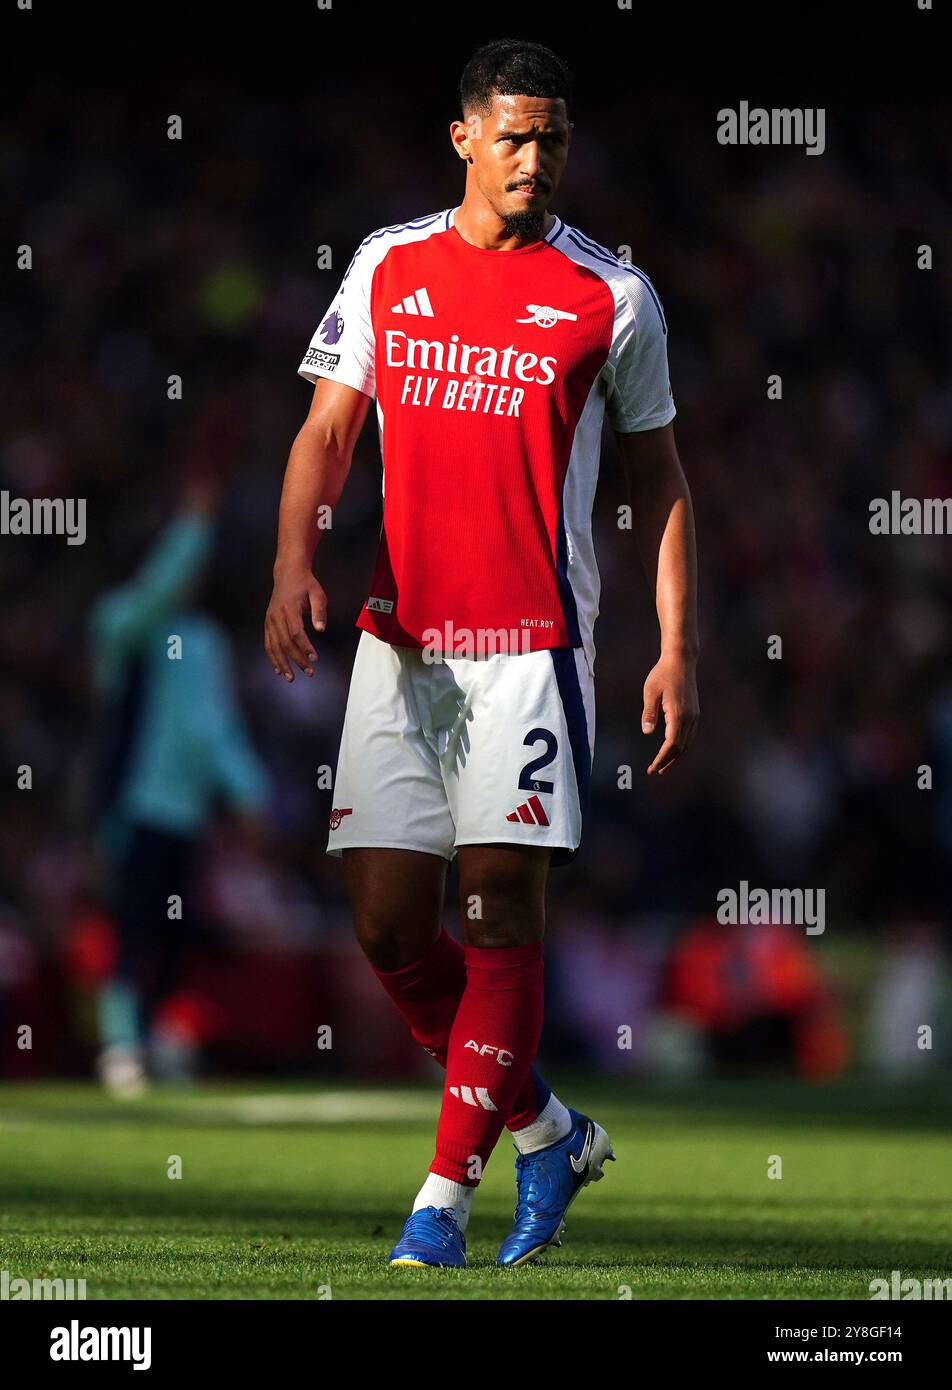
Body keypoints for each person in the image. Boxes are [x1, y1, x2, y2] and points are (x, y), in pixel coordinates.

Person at [265, 38, 699, 1267]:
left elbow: (662, 481)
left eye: (552, 137)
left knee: (497, 906)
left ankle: (440, 1206)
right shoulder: (388, 263)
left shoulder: (611, 296)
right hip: (400, 645)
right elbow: (324, 433)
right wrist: (293, 561)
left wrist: (674, 644)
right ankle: (547, 1127)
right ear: (463, 137)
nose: (534, 158)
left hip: (530, 645)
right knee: (389, 929)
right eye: (512, 135)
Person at [90, 474, 269, 1095]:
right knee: (130, 926)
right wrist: (194, 523)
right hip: (132, 806)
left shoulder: (208, 641)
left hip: (185, 814)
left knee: (173, 932)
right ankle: (119, 1042)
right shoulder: (121, 622)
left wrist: (249, 793)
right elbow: (154, 596)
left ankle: (157, 1034)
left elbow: (216, 729)